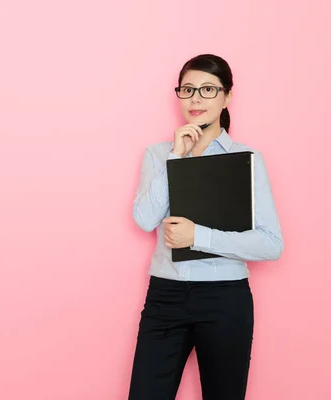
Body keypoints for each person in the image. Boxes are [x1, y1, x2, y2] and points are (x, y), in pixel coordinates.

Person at [127, 54, 283, 400]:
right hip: (165, 297)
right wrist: (177, 158)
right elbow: (144, 219)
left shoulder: (246, 159)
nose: (196, 98)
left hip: (225, 298)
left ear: (227, 97)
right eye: (188, 89)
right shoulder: (158, 153)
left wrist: (198, 236)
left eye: (209, 89)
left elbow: (271, 244)